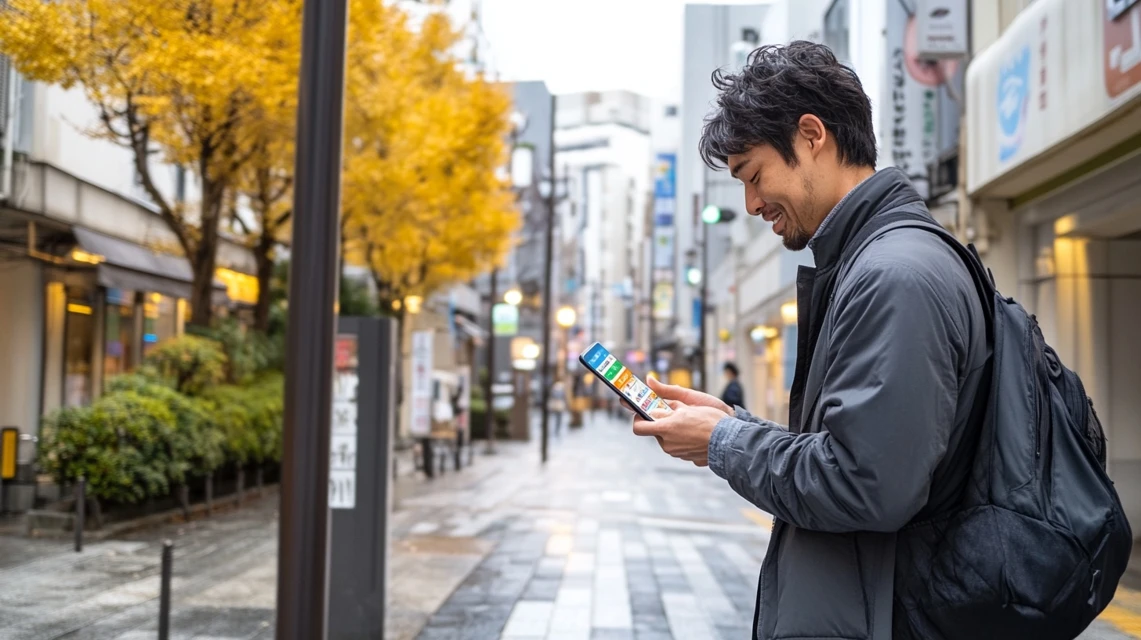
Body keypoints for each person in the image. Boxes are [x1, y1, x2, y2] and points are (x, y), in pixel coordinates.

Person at [631, 41, 988, 640]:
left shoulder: (892, 276)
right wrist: (734, 425)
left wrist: (725, 442)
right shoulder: (876, 261)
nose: (751, 203)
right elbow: (859, 453)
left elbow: (865, 485)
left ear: (811, 135)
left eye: (754, 174)